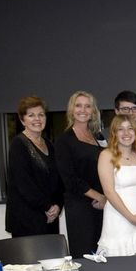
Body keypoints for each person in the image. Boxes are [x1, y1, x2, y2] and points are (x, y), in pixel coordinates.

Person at [55, 91, 106, 257]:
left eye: (87, 106)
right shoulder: (64, 140)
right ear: (71, 110)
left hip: (101, 205)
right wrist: (97, 196)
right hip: (80, 206)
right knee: (84, 253)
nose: (83, 110)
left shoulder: (98, 137)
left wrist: (105, 197)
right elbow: (69, 178)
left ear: (93, 111)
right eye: (78, 105)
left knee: (102, 252)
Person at [5, 96, 63, 237]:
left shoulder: (49, 144)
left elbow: (58, 179)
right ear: (22, 119)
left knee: (53, 259)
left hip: (50, 218)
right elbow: (24, 184)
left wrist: (57, 206)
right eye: (31, 115)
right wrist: (48, 207)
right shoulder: (18, 145)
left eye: (41, 115)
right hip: (27, 220)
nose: (37, 119)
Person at [96, 115, 136, 256]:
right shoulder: (106, 155)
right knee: (120, 266)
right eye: (121, 129)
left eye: (130, 129)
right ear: (114, 133)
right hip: (119, 217)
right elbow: (109, 191)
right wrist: (130, 217)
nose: (126, 133)